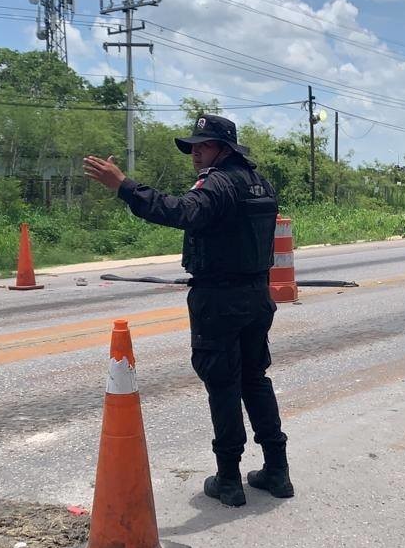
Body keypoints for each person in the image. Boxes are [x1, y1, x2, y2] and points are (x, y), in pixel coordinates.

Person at [83, 114, 293, 508]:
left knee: (223, 384)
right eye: (193, 146)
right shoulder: (258, 181)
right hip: (255, 295)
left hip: (219, 300)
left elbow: (181, 211)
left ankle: (229, 479)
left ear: (225, 147)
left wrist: (124, 187)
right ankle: (277, 471)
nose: (196, 153)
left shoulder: (218, 182)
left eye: (204, 145)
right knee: (254, 378)